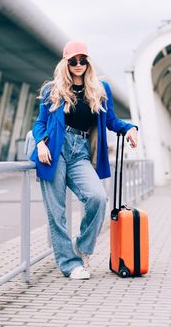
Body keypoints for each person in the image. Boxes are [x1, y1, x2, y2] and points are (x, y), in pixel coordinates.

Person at [30, 40, 138, 280]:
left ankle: (81, 248)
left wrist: (129, 128)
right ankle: (69, 264)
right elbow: (39, 123)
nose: (78, 65)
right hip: (54, 150)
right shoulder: (52, 89)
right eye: (73, 61)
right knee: (56, 211)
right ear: (65, 63)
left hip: (80, 150)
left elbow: (110, 121)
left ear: (88, 62)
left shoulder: (100, 88)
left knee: (98, 197)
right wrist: (39, 144)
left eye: (82, 60)